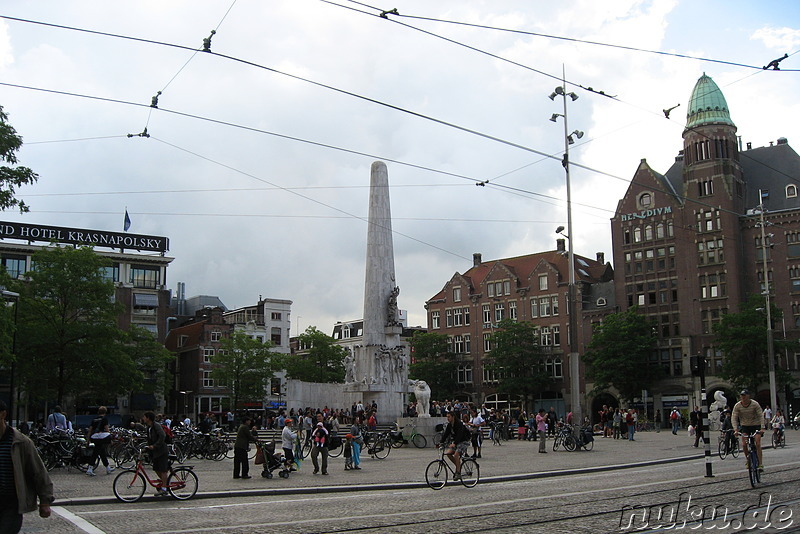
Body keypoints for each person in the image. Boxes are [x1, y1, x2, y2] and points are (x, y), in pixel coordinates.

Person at [0, 400, 53, 534]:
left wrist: (45, 501)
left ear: (3, 415)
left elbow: (38, 472)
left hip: (10, 505)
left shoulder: (21, 442)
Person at [731, 389, 765, 470]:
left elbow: (760, 415)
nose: (743, 397)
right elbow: (734, 417)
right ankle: (748, 460)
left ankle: (760, 463)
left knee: (757, 443)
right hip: (745, 426)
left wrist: (762, 427)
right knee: (744, 444)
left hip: (755, 426)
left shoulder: (754, 404)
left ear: (748, 396)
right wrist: (736, 429)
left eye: (744, 396)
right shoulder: (738, 406)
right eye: (741, 396)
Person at [142, 411, 170, 496]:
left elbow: (162, 436)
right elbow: (149, 439)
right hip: (155, 452)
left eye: (144, 417)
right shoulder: (149, 427)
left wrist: (155, 446)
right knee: (157, 469)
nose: (143, 418)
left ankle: (164, 488)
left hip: (161, 450)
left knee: (163, 469)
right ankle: (165, 484)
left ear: (148, 418)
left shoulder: (156, 425)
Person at [439, 411, 471, 480]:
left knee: (456, 455)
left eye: (449, 417)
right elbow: (446, 434)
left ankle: (458, 472)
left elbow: (460, 434)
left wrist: (454, 443)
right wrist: (441, 442)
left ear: (453, 417)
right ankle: (458, 465)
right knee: (448, 453)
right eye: (447, 417)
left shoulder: (459, 424)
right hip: (456, 442)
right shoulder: (450, 425)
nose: (448, 418)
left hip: (463, 441)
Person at [86, 406, 114, 477]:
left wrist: (88, 440)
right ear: (105, 412)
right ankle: (90, 468)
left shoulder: (94, 419)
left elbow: (90, 430)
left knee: (101, 451)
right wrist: (110, 439)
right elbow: (107, 429)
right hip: (101, 437)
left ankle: (107, 467)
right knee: (96, 452)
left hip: (94, 437)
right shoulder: (104, 419)